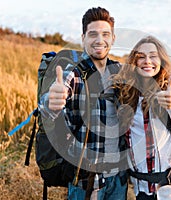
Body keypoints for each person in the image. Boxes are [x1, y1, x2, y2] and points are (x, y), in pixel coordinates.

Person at [39, 7, 127, 200]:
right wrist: (51, 102)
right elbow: (47, 106)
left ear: (113, 38)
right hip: (86, 180)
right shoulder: (74, 73)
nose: (99, 40)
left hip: (118, 178)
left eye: (105, 34)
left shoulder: (119, 72)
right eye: (92, 34)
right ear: (83, 38)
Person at [112, 36, 171, 200]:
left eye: (153, 56)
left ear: (161, 60)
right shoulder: (126, 94)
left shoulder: (168, 90)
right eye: (141, 56)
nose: (147, 61)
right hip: (142, 188)